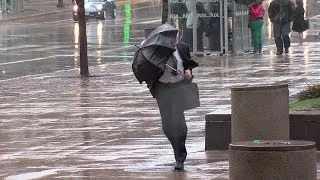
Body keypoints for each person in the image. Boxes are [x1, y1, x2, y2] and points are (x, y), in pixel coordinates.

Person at [144, 29, 199, 171]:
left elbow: (187, 64)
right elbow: (148, 74)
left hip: (179, 88)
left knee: (179, 123)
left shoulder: (182, 48)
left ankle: (180, 157)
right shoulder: (156, 54)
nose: (174, 42)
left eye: (175, 39)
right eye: (171, 40)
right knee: (167, 126)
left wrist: (188, 72)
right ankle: (177, 146)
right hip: (163, 90)